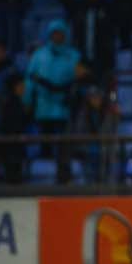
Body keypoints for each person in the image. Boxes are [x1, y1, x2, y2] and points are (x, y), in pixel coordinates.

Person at [23, 20, 81, 184]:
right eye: (54, 33)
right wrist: (27, 100)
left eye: (60, 33)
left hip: (65, 108)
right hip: (44, 108)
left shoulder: (74, 55)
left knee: (65, 145)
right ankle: (44, 180)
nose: (57, 37)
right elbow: (29, 80)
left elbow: (80, 79)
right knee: (45, 147)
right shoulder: (39, 55)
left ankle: (64, 176)